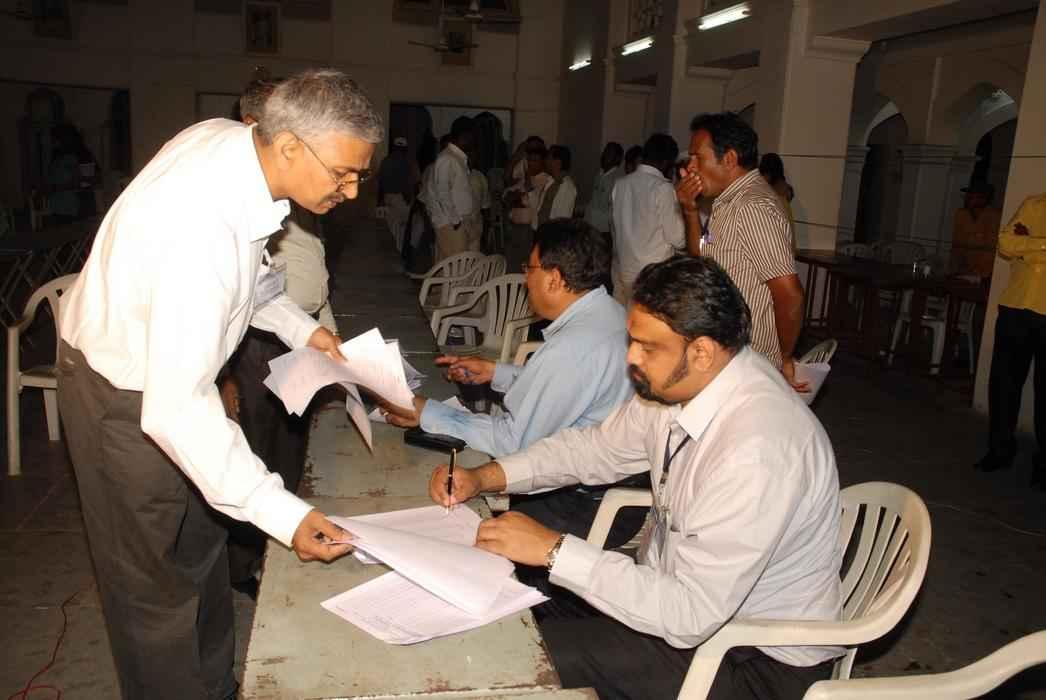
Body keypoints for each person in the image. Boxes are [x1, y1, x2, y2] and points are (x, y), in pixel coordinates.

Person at [56, 68, 382, 699]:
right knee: (152, 582)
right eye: (343, 174)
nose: (350, 191)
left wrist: (302, 329)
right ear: (290, 145)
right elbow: (176, 409)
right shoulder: (199, 226)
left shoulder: (233, 146)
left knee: (202, 540)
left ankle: (212, 686)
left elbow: (248, 279)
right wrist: (285, 515)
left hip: (173, 373)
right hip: (121, 390)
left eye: (359, 176)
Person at [427, 255, 843, 700]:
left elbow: (689, 614)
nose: (631, 357)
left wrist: (553, 549)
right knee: (508, 594)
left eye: (647, 346)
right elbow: (594, 450)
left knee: (520, 655)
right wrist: (485, 477)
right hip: (680, 606)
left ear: (701, 352)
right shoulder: (684, 382)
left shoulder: (758, 451)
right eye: (632, 340)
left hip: (753, 659)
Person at [384, 217, 631, 456]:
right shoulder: (612, 313)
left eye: (529, 269)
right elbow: (559, 387)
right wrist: (495, 372)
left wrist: (428, 412)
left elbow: (514, 443)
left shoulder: (571, 349)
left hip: (572, 476)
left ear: (554, 279)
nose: (526, 279)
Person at [677, 112, 806, 390]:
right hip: (726, 354)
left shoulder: (751, 207)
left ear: (729, 159)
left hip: (748, 361)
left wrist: (784, 358)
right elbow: (701, 261)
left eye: (698, 157)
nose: (690, 167)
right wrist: (689, 210)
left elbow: (789, 294)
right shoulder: (727, 202)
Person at [975, 191, 1046, 490]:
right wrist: (1041, 245)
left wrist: (1026, 246)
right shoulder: (1033, 204)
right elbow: (1005, 244)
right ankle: (1000, 450)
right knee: (1003, 384)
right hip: (1016, 306)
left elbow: (1017, 246)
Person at [610, 133, 684, 304]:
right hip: (652, 274)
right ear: (667, 162)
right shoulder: (663, 187)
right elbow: (677, 239)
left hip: (623, 267)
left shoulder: (621, 184)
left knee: (625, 317)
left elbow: (614, 226)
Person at [422, 117, 479, 260]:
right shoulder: (447, 158)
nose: (474, 141)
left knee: (450, 267)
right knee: (457, 267)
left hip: (456, 222)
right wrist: (455, 221)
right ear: (465, 136)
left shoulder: (457, 158)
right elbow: (442, 192)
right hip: (450, 223)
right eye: (473, 137)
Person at [951, 180, 1002, 280]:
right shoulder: (961, 215)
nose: (967, 198)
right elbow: (957, 245)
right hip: (963, 270)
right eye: (967, 195)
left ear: (984, 199)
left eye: (972, 196)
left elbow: (990, 249)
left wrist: (978, 273)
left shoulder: (994, 216)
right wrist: (955, 269)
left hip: (986, 274)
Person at [378, 135, 419, 253]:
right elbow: (414, 182)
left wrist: (380, 201)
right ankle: (396, 255)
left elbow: (380, 182)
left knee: (392, 229)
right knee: (399, 231)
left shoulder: (386, 161)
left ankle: (392, 254)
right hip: (401, 200)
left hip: (391, 199)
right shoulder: (409, 162)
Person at [583, 141, 624, 240]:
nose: (604, 155)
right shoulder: (599, 174)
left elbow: (614, 210)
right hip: (590, 226)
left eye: (609, 153)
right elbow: (594, 201)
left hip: (604, 231)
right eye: (605, 151)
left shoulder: (618, 179)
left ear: (617, 158)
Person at [531, 145, 578, 230]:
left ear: (557, 162)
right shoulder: (550, 180)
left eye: (548, 158)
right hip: (539, 230)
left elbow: (563, 221)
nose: (545, 161)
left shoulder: (568, 187)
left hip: (552, 234)